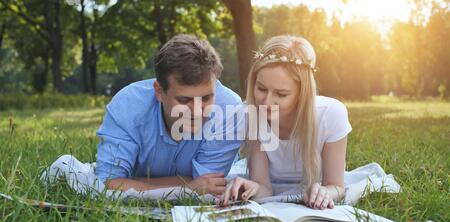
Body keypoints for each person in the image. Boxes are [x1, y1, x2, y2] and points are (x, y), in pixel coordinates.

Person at [96, 34, 243, 196]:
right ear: (159, 91)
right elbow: (109, 183)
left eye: (206, 98)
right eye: (184, 100)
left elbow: (210, 184)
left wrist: (135, 182)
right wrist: (187, 188)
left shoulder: (231, 108)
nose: (196, 111)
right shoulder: (127, 106)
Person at [222, 35, 352, 209]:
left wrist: (325, 192)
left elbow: (336, 185)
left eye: (281, 94)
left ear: (302, 93)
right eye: (261, 88)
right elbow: (264, 188)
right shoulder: (251, 114)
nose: (266, 102)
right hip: (275, 187)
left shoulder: (331, 114)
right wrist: (252, 188)